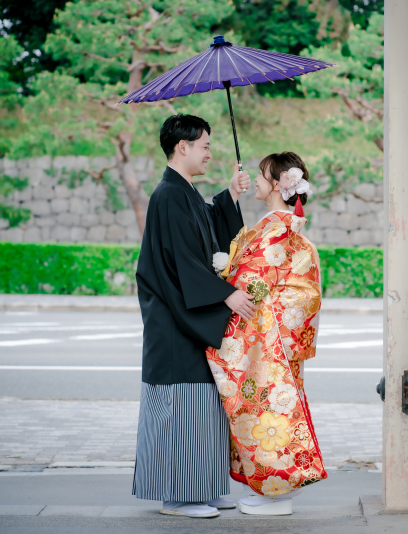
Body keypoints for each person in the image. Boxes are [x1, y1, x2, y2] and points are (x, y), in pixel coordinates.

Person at [132, 114, 258, 518]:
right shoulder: (168, 195)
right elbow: (185, 261)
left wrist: (231, 197)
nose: (209, 152)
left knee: (203, 404)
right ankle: (178, 495)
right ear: (182, 147)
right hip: (174, 320)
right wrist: (226, 294)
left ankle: (201, 485)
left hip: (185, 315)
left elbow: (205, 227)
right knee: (184, 404)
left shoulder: (181, 192)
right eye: (204, 145)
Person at [205, 152, 328, 516]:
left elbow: (254, 281)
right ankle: (276, 485)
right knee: (276, 410)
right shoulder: (279, 223)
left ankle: (278, 486)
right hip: (276, 337)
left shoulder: (277, 227)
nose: (256, 180)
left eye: (261, 175)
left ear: (278, 184)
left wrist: (225, 278)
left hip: (266, 339)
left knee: (266, 411)